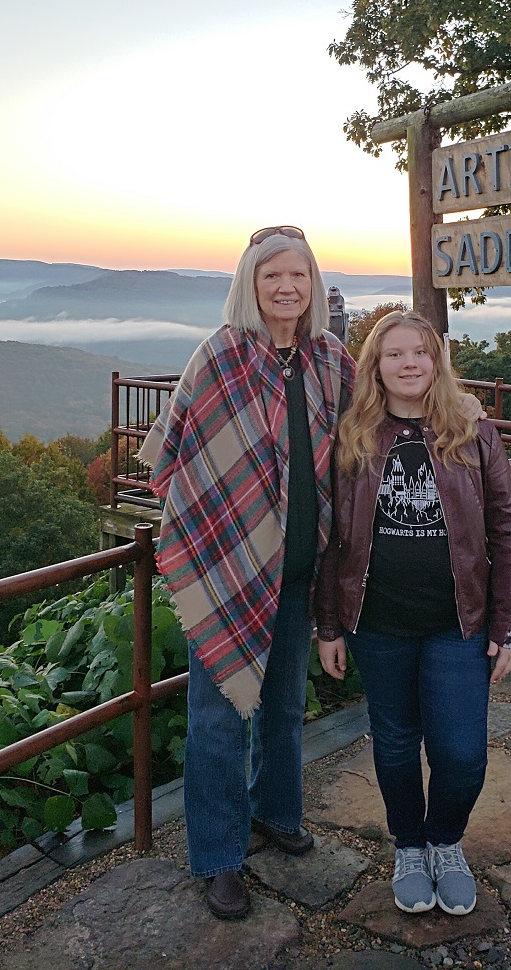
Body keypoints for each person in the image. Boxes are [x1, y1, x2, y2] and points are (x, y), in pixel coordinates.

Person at [138, 226, 356, 919]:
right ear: (250, 284)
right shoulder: (221, 354)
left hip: (298, 568)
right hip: (227, 569)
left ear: (313, 283)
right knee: (219, 717)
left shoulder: (330, 359)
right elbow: (177, 452)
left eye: (298, 275)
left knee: (285, 705)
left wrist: (457, 411)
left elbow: (370, 428)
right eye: (272, 276)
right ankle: (219, 856)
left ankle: (275, 812)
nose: (287, 287)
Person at [316, 311, 511, 919]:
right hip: (376, 622)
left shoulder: (472, 431)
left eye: (420, 352)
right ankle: (410, 846)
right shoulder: (353, 435)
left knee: (461, 753)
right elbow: (333, 540)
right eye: (394, 354)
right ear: (375, 366)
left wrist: (508, 624)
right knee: (396, 744)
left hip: (458, 623)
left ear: (437, 361)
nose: (408, 363)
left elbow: (507, 531)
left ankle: (446, 840)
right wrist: (328, 625)